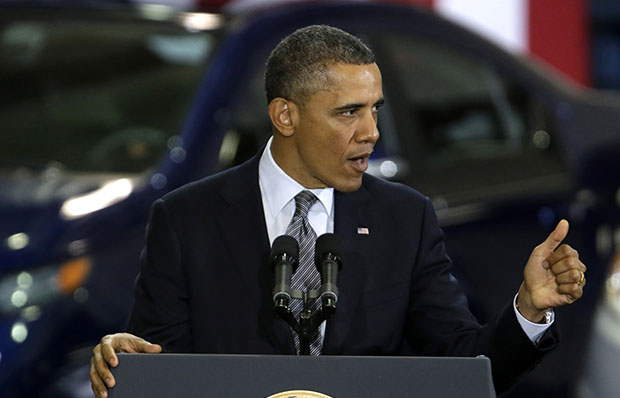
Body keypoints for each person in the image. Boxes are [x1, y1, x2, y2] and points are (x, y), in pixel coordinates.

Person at [90, 25, 586, 398]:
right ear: (286, 116)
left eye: (376, 109)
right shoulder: (186, 220)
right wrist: (123, 362)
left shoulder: (403, 218)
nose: (371, 131)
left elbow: (464, 367)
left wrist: (528, 308)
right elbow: (159, 371)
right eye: (349, 112)